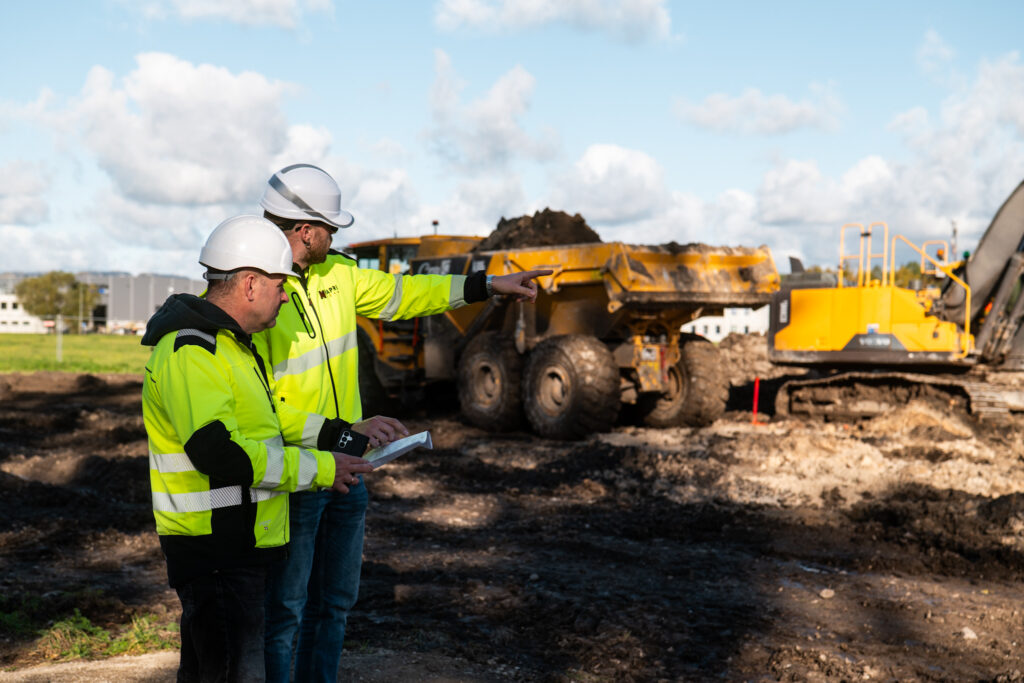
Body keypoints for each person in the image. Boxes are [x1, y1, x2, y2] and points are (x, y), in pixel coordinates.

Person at [257, 163, 550, 682]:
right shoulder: (255, 292)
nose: (334, 237)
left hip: (348, 471)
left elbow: (409, 294)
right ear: (305, 230)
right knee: (283, 613)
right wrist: (344, 433)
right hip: (295, 476)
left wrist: (488, 285)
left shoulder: (339, 274)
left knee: (334, 606)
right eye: (330, 227)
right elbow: (260, 403)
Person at [141, 214, 375, 682]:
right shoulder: (194, 352)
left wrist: (348, 438)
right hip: (215, 552)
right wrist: (320, 470)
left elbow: (271, 418)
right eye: (280, 285)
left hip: (238, 545)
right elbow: (220, 453)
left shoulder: (232, 346)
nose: (286, 297)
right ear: (250, 284)